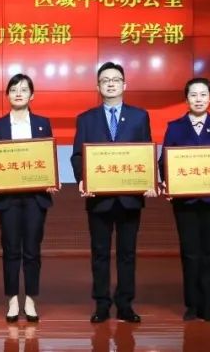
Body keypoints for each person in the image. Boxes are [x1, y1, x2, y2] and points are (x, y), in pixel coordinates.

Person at [70, 61, 156, 324]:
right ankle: (102, 304)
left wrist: (149, 180)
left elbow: (146, 152)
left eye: (115, 80)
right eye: (105, 80)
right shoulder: (86, 119)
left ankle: (125, 304)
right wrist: (83, 179)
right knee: (100, 253)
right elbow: (77, 155)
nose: (110, 84)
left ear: (124, 84)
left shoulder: (140, 116)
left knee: (127, 253)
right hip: (99, 199)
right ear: (98, 86)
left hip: (130, 198)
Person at [159, 77, 210, 322]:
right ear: (186, 99)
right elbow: (164, 161)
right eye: (193, 95)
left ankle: (208, 305)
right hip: (186, 201)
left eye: (203, 95)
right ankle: (191, 304)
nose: (198, 99)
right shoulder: (175, 127)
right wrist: (168, 181)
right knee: (190, 253)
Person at [0, 74, 56, 323]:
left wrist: (51, 178)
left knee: (33, 250)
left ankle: (31, 298)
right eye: (14, 89)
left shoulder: (42, 123)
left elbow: (47, 157)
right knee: (11, 249)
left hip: (36, 197)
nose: (18, 93)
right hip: (8, 198)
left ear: (31, 95)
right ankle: (13, 298)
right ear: (7, 95)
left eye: (24, 89)